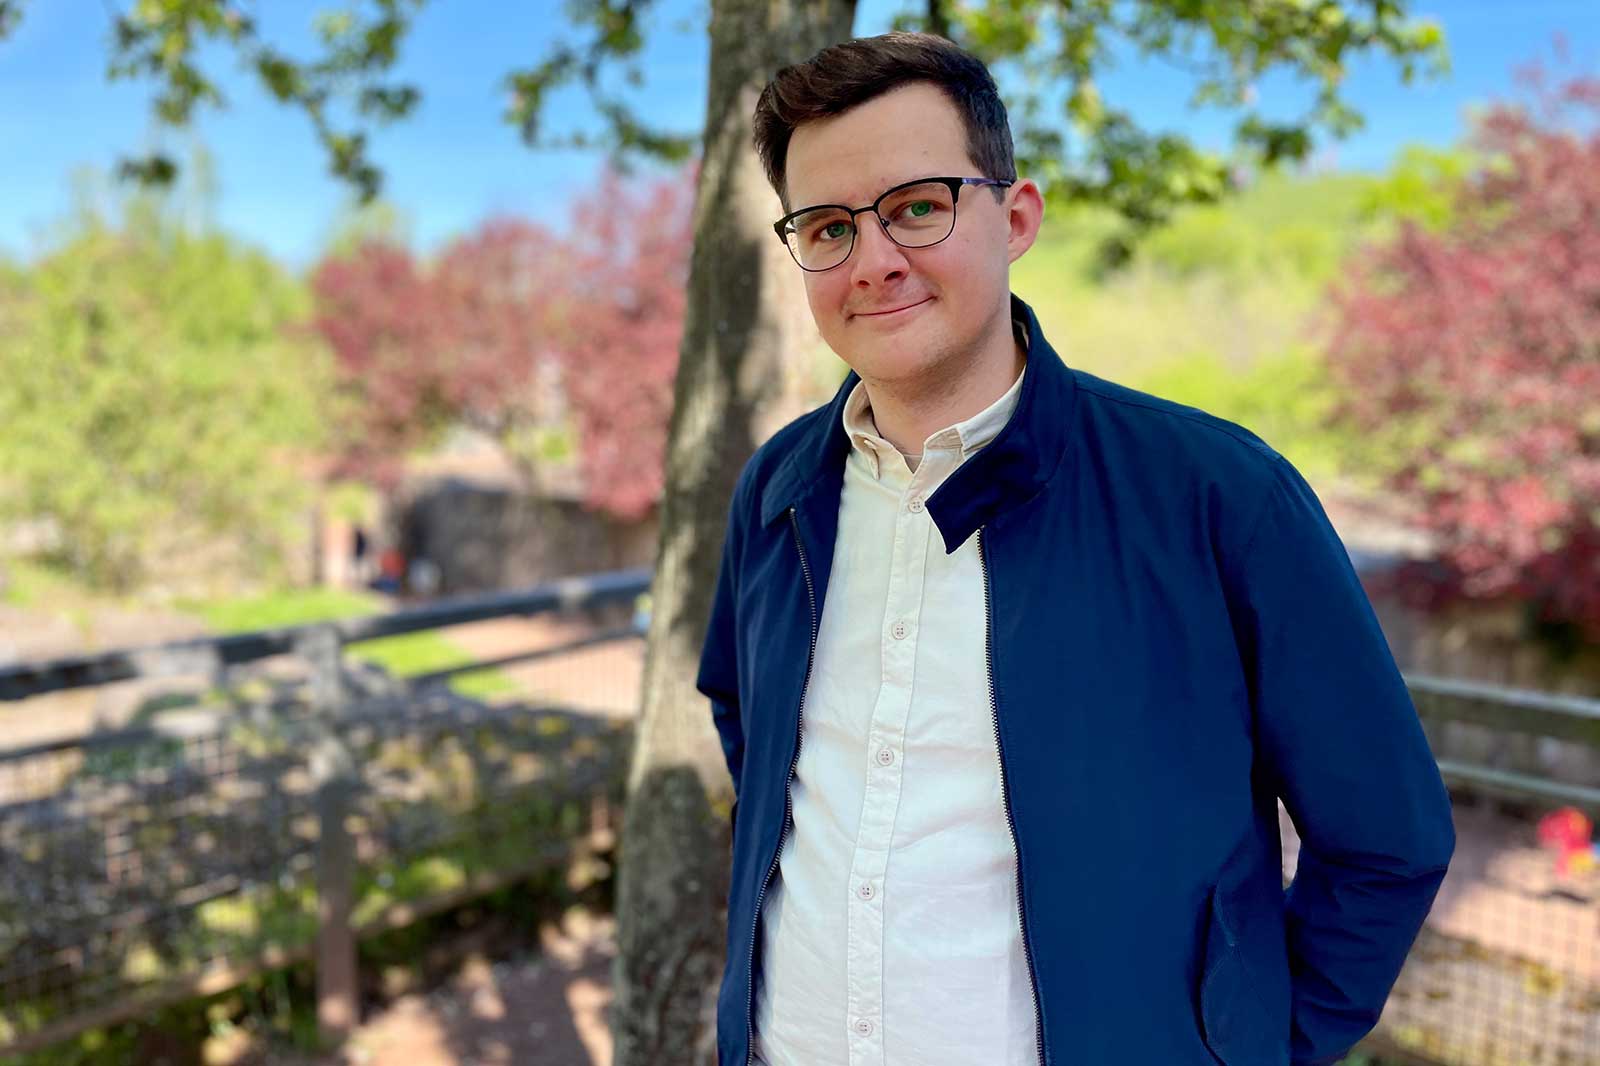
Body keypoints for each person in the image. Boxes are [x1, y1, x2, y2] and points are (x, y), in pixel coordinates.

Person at [696, 31, 1455, 1066]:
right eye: (827, 227)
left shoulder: (1219, 496)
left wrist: (1253, 1048)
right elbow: (753, 725)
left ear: (1014, 218)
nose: (872, 261)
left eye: (916, 206)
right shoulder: (776, 489)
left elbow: (1385, 839)